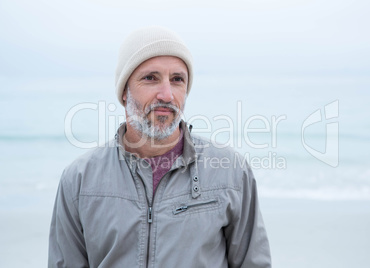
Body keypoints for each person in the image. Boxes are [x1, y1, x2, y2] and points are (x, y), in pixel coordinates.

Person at [48, 26, 271, 268]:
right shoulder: (79, 180)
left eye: (177, 80)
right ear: (124, 91)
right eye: (150, 78)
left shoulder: (231, 172)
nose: (166, 94)